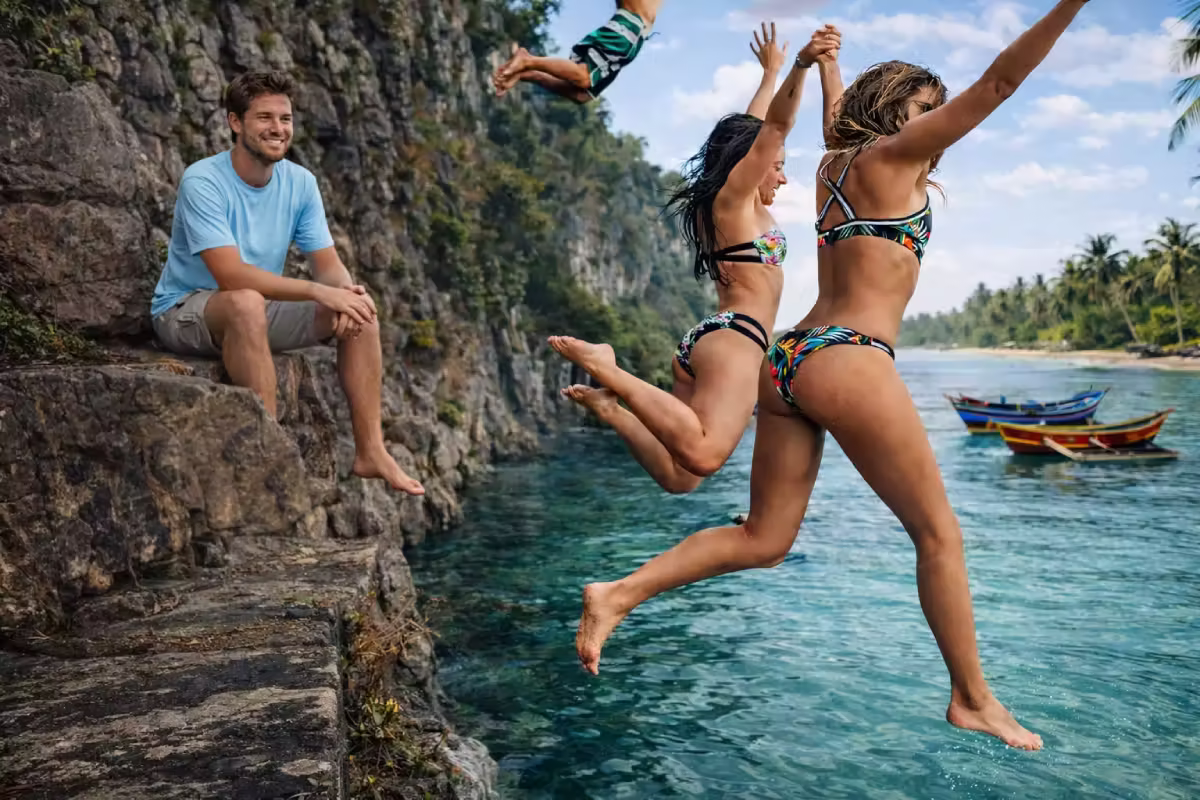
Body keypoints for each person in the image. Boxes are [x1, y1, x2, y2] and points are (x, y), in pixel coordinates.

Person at [574, 0, 1098, 752]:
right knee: (938, 535)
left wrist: (827, 71)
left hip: (787, 363)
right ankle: (973, 697)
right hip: (851, 358)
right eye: (925, 107)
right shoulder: (892, 160)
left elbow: (832, 127)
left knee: (763, 537)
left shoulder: (834, 166)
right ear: (896, 111)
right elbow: (1000, 84)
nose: (937, 120)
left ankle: (618, 593)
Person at [550, 25, 841, 495]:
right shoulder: (734, 202)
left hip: (709, 343)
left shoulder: (734, 205)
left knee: (680, 478)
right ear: (751, 162)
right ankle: (608, 367)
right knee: (704, 456)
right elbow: (770, 130)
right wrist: (802, 65)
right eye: (779, 165)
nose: (783, 179)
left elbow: (754, 129)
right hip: (736, 342)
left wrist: (768, 74)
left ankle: (611, 409)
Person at [149, 70, 425, 496]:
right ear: (235, 123)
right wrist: (317, 291)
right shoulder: (203, 180)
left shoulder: (300, 183)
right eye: (264, 118)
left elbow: (328, 266)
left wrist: (346, 295)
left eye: (285, 118)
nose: (278, 128)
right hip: (186, 310)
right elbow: (230, 276)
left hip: (256, 307)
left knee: (362, 312)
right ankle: (269, 456)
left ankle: (371, 451)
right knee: (244, 301)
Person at [492, 1, 664, 103]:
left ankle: (527, 73)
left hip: (636, 36)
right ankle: (527, 60)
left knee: (582, 95)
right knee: (585, 76)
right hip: (629, 26)